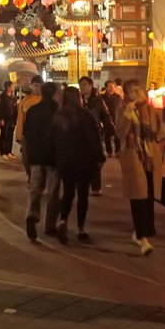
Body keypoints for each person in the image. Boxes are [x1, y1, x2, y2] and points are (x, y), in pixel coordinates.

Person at [116, 79, 163, 256]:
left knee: (149, 193)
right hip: (132, 154)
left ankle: (143, 232)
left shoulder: (151, 109)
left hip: (150, 155)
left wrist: (162, 131)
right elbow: (120, 132)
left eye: (136, 91)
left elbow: (158, 132)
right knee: (138, 195)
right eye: (129, 92)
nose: (133, 95)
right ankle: (142, 237)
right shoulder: (123, 109)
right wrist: (128, 112)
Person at [53, 85, 104, 243]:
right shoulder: (85, 115)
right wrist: (99, 157)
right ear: (78, 98)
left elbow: (53, 140)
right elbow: (93, 138)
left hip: (64, 161)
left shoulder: (58, 116)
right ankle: (80, 229)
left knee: (68, 193)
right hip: (84, 161)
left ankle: (62, 220)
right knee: (82, 195)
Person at [23, 81, 61, 241]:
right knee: (53, 193)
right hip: (53, 157)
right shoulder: (59, 111)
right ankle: (49, 225)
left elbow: (26, 133)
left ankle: (32, 214)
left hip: (36, 157)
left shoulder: (32, 110)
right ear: (54, 94)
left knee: (35, 189)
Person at [81, 76, 112, 196]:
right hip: (81, 135)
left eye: (84, 84)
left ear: (90, 85)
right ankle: (87, 183)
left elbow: (106, 115)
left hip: (96, 133)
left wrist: (109, 130)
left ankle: (95, 186)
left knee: (97, 160)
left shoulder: (98, 101)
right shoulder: (79, 99)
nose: (82, 87)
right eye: (80, 85)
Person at [16, 76, 44, 173]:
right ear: (31, 86)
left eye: (40, 86)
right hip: (27, 136)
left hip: (43, 136)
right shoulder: (25, 101)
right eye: (36, 85)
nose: (38, 88)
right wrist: (19, 135)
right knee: (27, 159)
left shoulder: (47, 100)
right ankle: (30, 177)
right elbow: (20, 119)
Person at [0, 81, 17, 160]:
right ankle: (3, 152)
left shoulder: (13, 97)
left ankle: (9, 151)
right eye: (12, 86)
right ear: (8, 87)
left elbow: (15, 109)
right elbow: (0, 109)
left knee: (10, 135)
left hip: (12, 119)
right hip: (5, 119)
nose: (13, 87)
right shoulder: (2, 97)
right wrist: (1, 118)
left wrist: (15, 119)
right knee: (4, 135)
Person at [102, 81, 121, 156]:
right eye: (109, 86)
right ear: (106, 87)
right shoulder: (102, 97)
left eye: (113, 86)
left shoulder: (117, 97)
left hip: (116, 119)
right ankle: (109, 152)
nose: (111, 87)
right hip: (106, 119)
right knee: (107, 136)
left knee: (117, 136)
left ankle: (117, 151)